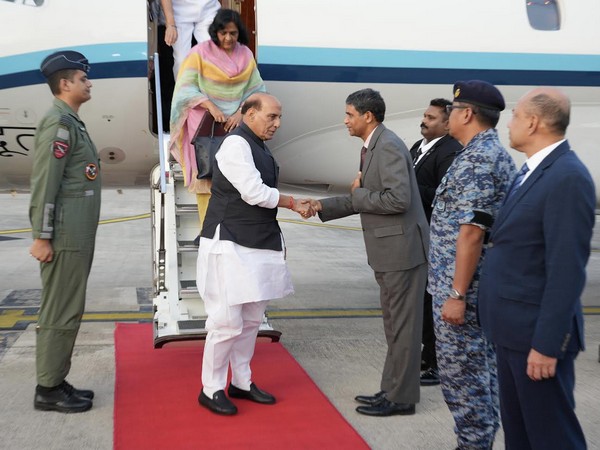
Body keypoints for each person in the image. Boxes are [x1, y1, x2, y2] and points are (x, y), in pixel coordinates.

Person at [478, 88, 594, 450]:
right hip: (512, 331)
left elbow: (567, 271)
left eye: (514, 116)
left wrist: (546, 345)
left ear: (533, 121)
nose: (508, 124)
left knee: (552, 437)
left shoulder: (567, 177)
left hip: (535, 339)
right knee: (521, 436)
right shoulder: (531, 171)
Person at [307, 88, 429, 417]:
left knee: (402, 328)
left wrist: (359, 194)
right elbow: (365, 196)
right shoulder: (373, 146)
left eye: (349, 115)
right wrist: (322, 206)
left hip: (402, 253)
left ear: (367, 116)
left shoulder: (387, 146)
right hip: (390, 252)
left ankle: (401, 399)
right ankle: (392, 390)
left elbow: (397, 199)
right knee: (395, 326)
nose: (345, 121)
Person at [196, 93, 311, 415]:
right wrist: (291, 202)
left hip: (256, 242)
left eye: (279, 117)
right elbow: (253, 191)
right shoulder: (235, 145)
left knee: (250, 321)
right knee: (226, 322)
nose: (277, 123)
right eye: (271, 116)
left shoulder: (258, 145)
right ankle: (212, 387)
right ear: (249, 114)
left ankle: (242, 381)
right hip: (229, 243)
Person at [428, 80, 516, 449]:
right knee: (480, 376)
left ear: (467, 113)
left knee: (463, 378)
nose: (449, 114)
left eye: (453, 108)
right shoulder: (478, 152)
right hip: (466, 289)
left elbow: (471, 233)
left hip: (464, 293)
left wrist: (457, 294)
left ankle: (473, 443)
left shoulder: (480, 159)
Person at [29, 51, 101, 413]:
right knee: (60, 311)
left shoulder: (71, 122)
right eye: (83, 79)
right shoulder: (58, 123)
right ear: (64, 84)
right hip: (64, 236)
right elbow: (46, 182)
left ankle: (56, 377)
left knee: (68, 308)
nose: (89, 84)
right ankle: (48, 389)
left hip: (75, 234)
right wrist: (42, 236)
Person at [169, 8, 265, 230]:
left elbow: (257, 90)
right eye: (223, 33)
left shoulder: (245, 54)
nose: (228, 38)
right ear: (215, 33)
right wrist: (210, 106)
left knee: (236, 177)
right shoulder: (199, 53)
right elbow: (185, 88)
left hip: (235, 123)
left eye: (232, 33)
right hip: (204, 122)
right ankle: (208, 228)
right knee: (206, 177)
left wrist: (241, 112)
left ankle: (230, 229)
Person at [409, 98, 461, 387]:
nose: (424, 120)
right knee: (421, 302)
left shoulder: (450, 151)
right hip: (417, 235)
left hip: (435, 238)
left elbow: (443, 195)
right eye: (424, 115)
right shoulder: (418, 148)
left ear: (446, 124)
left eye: (431, 117)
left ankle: (436, 362)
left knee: (431, 302)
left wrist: (408, 186)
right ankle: (426, 355)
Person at [160, 0, 221, 77]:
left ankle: (211, 87)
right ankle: (183, 88)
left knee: (213, 55)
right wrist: (170, 24)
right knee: (181, 60)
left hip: (208, 10)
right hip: (179, 13)